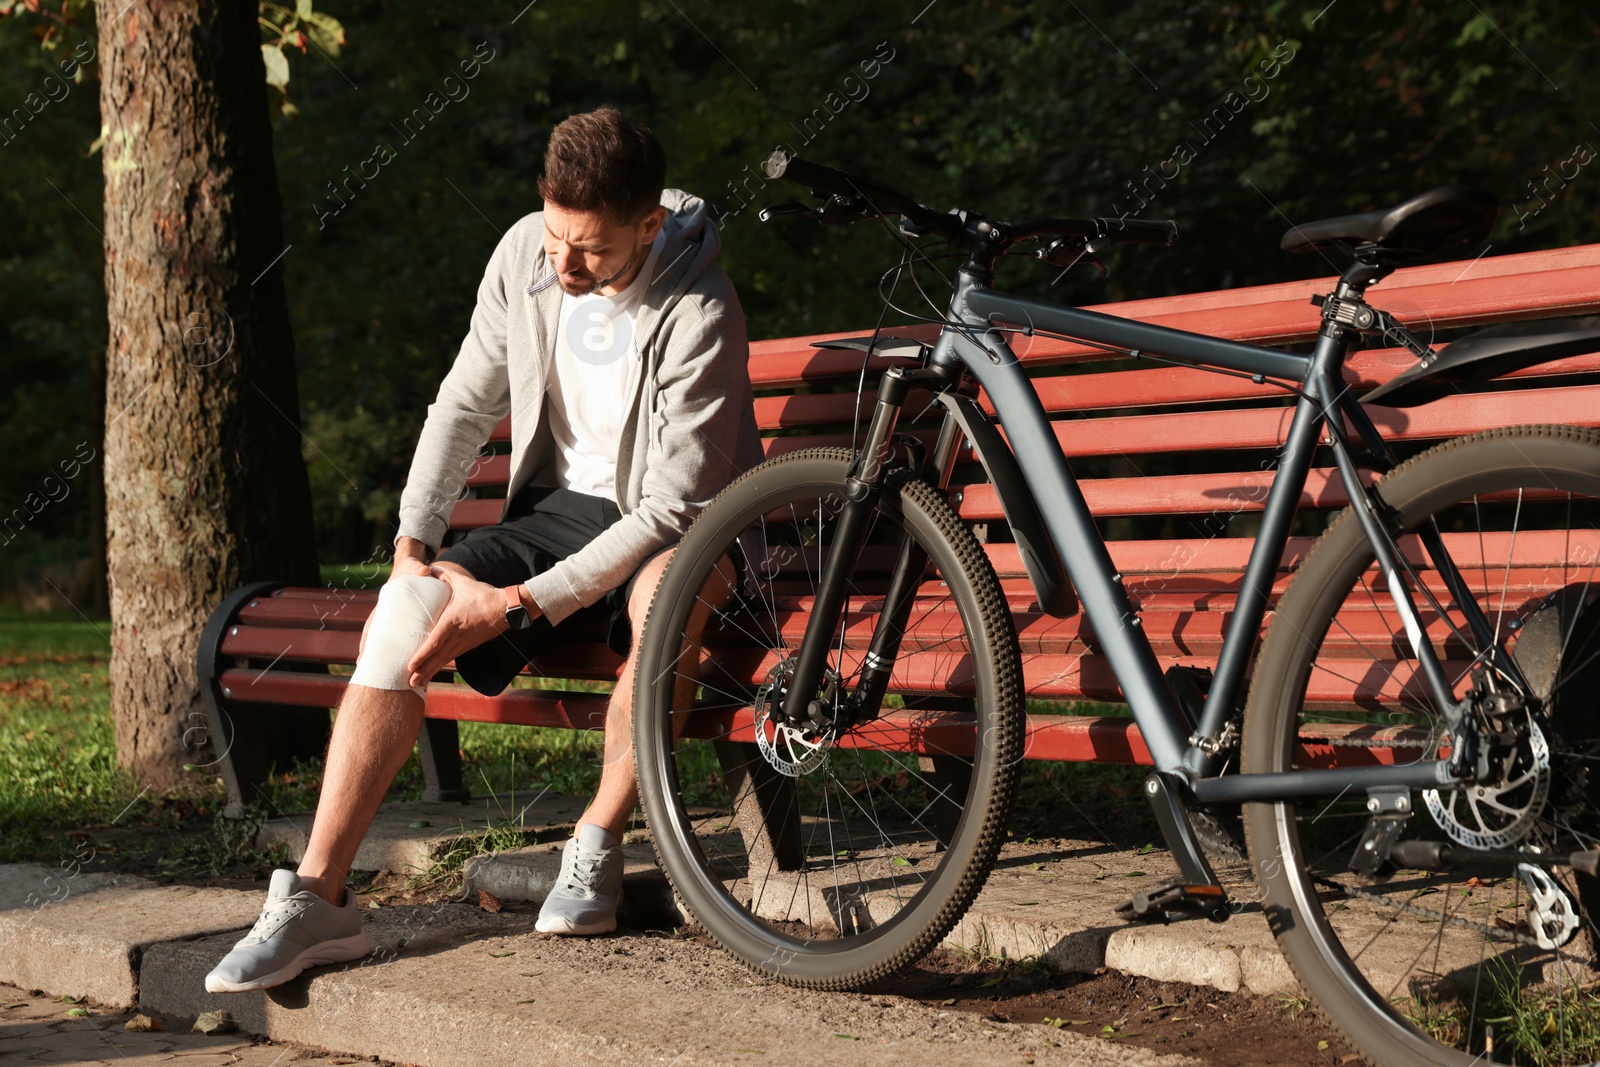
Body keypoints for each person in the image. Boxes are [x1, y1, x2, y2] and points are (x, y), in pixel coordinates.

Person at [205, 106, 762, 993]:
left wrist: (515, 604)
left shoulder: (700, 306)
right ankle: (317, 897)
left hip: (689, 523)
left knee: (663, 594)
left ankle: (596, 842)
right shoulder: (523, 257)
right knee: (403, 614)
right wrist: (412, 541)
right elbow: (463, 402)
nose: (566, 267)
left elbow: (668, 508)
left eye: (592, 249)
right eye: (554, 237)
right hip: (560, 514)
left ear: (650, 225)